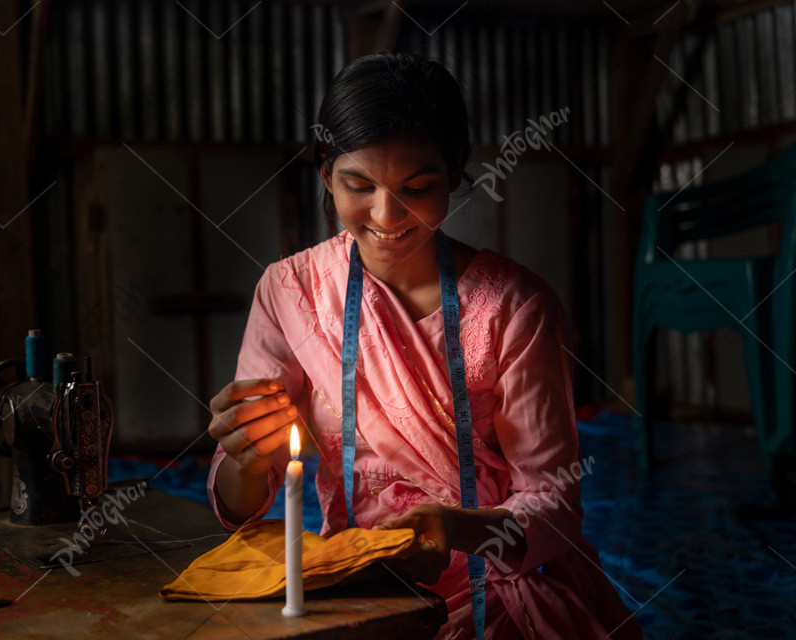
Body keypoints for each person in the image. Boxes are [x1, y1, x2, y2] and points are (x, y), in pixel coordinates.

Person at [206, 51, 642, 640]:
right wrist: (243, 453)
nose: (387, 216)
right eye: (358, 185)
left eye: (417, 187)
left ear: (457, 172)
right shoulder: (291, 293)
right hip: (360, 591)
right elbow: (240, 506)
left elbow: (555, 511)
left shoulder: (514, 306)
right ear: (324, 174)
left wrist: (460, 530)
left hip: (504, 592)